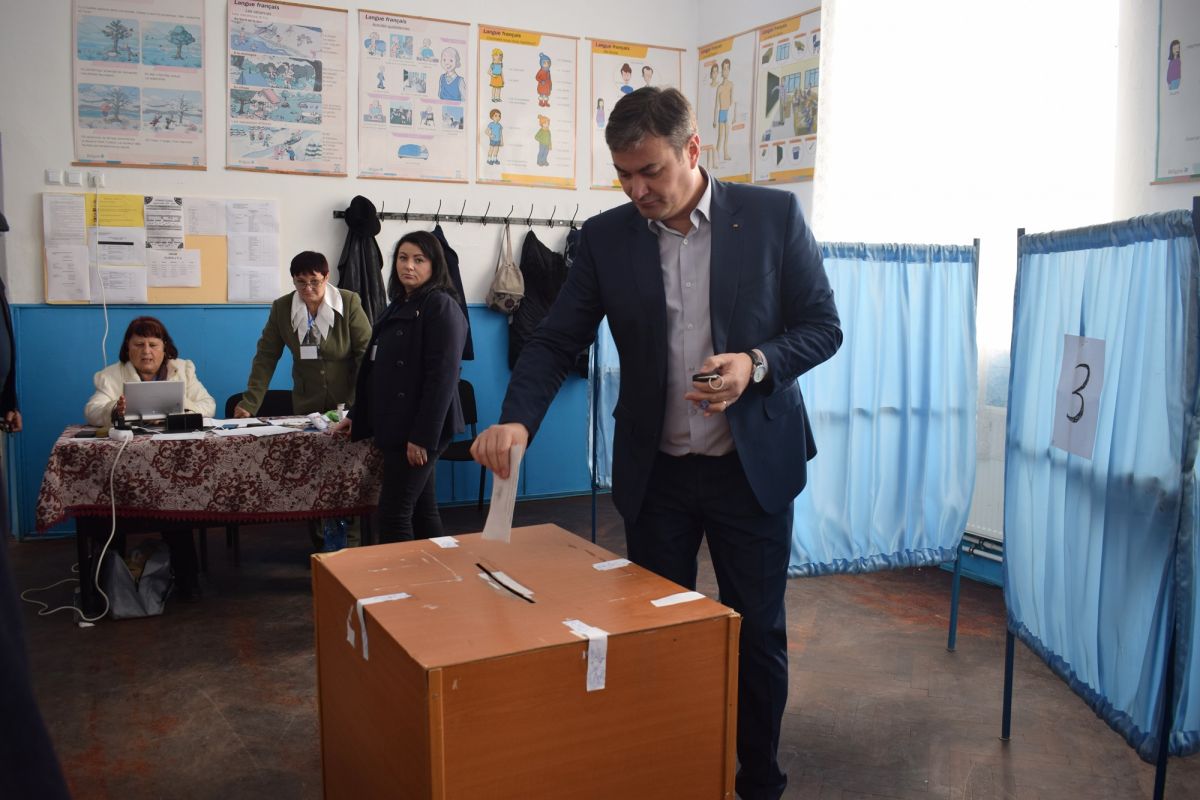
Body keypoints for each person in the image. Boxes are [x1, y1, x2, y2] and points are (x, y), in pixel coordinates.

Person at [471, 87, 841, 800]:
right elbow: (554, 341)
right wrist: (517, 420)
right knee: (656, 632)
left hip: (750, 471)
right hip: (659, 475)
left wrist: (755, 364)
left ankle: (759, 780)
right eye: (623, 175)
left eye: (651, 171)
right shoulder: (606, 238)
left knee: (757, 633)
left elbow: (823, 327)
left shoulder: (772, 218)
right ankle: (670, 768)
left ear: (692, 149)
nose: (637, 190)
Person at [334, 232, 467, 542]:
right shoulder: (398, 304)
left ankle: (400, 574)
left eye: (419, 260)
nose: (409, 266)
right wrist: (356, 414)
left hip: (419, 428)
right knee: (422, 509)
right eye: (403, 258)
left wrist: (422, 437)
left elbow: (442, 379)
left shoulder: (441, 306)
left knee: (394, 513)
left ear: (434, 265)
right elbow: (375, 370)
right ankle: (438, 567)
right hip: (396, 422)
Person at [84, 316, 217, 601]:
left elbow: (209, 406)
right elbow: (92, 411)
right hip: (126, 469)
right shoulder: (111, 375)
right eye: (139, 345)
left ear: (165, 348)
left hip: (175, 468)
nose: (146, 352)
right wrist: (114, 409)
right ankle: (109, 587)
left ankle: (187, 580)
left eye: (153, 345)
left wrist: (177, 403)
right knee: (108, 514)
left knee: (178, 508)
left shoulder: (183, 370)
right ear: (127, 348)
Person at [234, 250, 372, 419]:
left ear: (326, 277)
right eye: (301, 282)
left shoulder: (348, 302)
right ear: (293, 280)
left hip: (348, 403)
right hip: (307, 405)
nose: (308, 288)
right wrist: (250, 403)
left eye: (314, 281)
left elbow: (365, 353)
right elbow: (265, 357)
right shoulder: (282, 308)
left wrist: (364, 400)